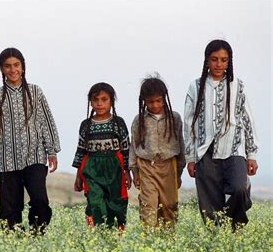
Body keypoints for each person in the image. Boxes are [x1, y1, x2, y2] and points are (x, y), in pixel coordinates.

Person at [0, 47, 61, 235]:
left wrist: (52, 151)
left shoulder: (35, 92)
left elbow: (46, 121)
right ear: (1, 69)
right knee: (10, 209)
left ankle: (36, 236)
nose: (12, 70)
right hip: (7, 161)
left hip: (35, 157)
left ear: (23, 67)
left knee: (40, 200)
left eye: (16, 65)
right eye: (7, 66)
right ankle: (14, 244)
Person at [184, 39, 258, 231]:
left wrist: (251, 154)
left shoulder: (237, 86)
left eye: (224, 60)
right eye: (215, 59)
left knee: (239, 189)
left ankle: (234, 225)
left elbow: (247, 119)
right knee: (209, 205)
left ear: (229, 62)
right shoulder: (196, 87)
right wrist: (190, 157)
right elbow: (189, 123)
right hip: (205, 152)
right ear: (207, 60)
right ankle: (217, 240)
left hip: (234, 148)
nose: (219, 64)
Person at [73, 82, 131, 230]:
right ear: (90, 102)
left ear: (111, 101)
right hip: (92, 167)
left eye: (104, 99)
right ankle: (98, 233)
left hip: (114, 167)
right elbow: (81, 150)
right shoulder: (86, 125)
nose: (99, 104)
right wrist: (78, 176)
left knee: (115, 203)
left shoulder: (118, 123)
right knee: (95, 201)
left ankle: (115, 236)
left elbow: (126, 149)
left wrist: (127, 172)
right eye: (95, 100)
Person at [129, 75, 185, 229]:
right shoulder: (139, 120)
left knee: (169, 206)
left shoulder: (174, 118)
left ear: (164, 98)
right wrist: (135, 172)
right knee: (149, 205)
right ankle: (149, 241)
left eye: (158, 100)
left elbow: (180, 143)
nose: (155, 105)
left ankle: (168, 242)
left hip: (169, 166)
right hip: (147, 166)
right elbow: (133, 146)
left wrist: (179, 172)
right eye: (150, 101)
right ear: (144, 101)